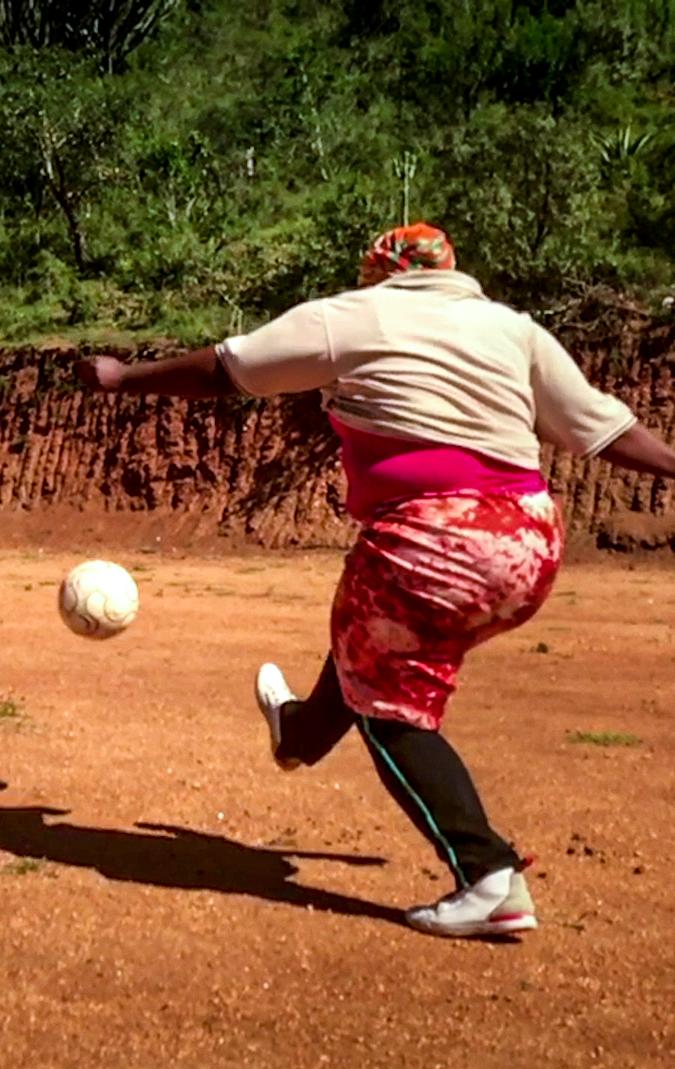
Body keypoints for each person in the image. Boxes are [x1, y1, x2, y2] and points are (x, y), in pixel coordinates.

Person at [76, 222, 675, 938]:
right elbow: (601, 431)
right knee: (377, 643)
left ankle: (487, 878)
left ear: (378, 272)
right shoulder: (512, 329)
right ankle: (298, 733)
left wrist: (123, 379)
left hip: (435, 540)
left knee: (391, 703)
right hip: (527, 541)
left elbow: (226, 369)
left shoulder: (357, 313)